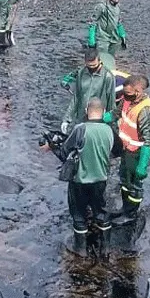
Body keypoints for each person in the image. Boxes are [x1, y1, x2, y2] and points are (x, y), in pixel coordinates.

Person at [59, 98, 115, 252]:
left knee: (78, 214)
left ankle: (80, 249)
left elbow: (65, 150)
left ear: (86, 111)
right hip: (101, 179)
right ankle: (106, 248)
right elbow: (117, 150)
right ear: (103, 112)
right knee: (101, 211)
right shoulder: (109, 130)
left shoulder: (80, 128)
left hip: (80, 180)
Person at [114, 75, 150, 225]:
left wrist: (142, 165)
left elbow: (149, 141)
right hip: (126, 149)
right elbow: (116, 114)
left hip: (137, 153)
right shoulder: (127, 100)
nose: (125, 95)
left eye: (128, 93)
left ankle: (131, 214)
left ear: (138, 91)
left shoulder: (146, 111)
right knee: (125, 179)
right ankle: (125, 208)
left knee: (134, 185)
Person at [60, 48, 116, 135]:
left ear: (99, 61)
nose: (91, 68)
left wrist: (110, 121)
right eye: (89, 66)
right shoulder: (81, 73)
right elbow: (76, 98)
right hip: (81, 116)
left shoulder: (108, 77)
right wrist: (67, 119)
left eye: (94, 66)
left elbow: (111, 101)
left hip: (98, 118)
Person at [87, 0, 126, 71]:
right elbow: (92, 22)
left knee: (111, 58)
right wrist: (91, 38)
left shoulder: (118, 7)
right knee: (102, 56)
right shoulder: (101, 6)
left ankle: (110, 74)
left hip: (114, 37)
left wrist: (122, 35)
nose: (116, 1)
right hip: (102, 36)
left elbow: (119, 22)